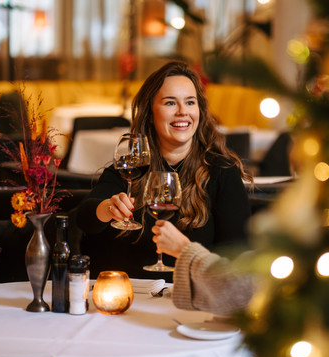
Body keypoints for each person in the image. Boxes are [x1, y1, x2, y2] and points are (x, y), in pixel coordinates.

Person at [76, 61, 252, 282]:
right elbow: (85, 218)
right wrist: (108, 208)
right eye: (170, 102)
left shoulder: (222, 172)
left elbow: (240, 260)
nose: (182, 112)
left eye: (190, 102)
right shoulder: (130, 169)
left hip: (193, 303)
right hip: (129, 301)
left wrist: (185, 250)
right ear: (150, 113)